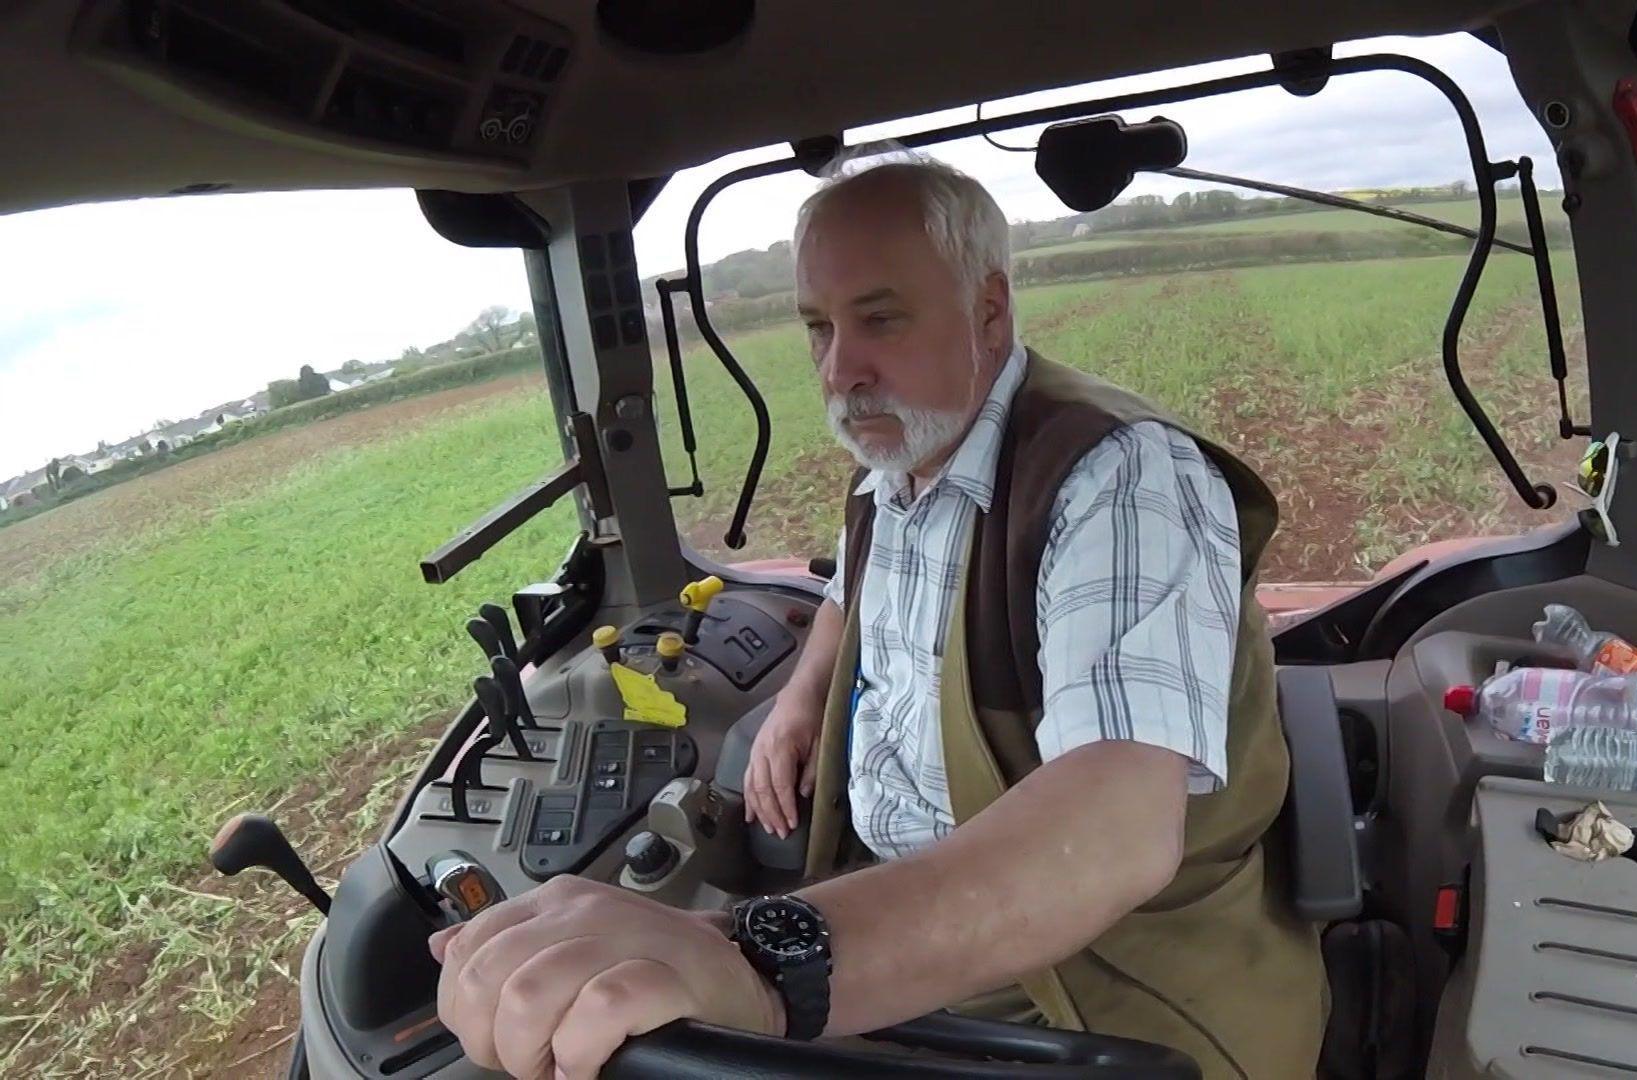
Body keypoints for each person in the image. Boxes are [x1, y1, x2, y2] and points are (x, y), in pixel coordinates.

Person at [430, 159, 1327, 1080]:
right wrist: (799, 699)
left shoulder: (1120, 479)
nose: (840, 369)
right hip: (891, 921)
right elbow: (853, 592)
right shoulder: (894, 470)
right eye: (819, 327)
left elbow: (1113, 823)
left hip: (1099, 989)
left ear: (989, 310)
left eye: (880, 319)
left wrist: (762, 965)